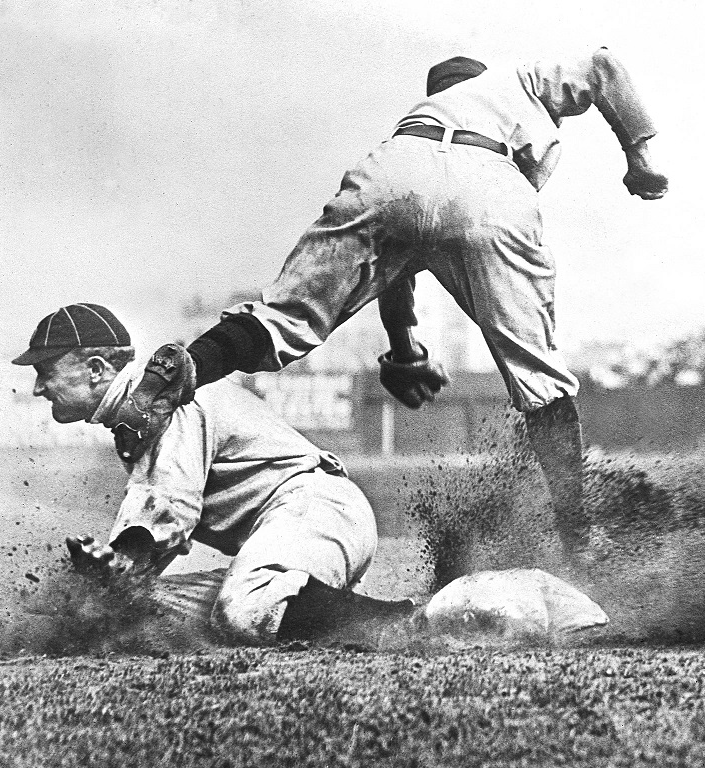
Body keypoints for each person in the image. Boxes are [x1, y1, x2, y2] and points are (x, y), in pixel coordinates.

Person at [113, 47, 669, 562]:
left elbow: (392, 279)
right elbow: (603, 64)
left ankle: (189, 365)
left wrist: (406, 352)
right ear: (477, 82)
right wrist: (638, 156)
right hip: (490, 183)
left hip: (390, 179)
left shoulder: (414, 126)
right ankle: (578, 543)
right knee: (541, 378)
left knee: (284, 318)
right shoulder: (514, 82)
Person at [12, 303, 415, 645]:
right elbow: (152, 542)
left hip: (314, 509)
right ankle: (320, 608)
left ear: (96, 368)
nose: (38, 387)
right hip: (292, 532)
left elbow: (169, 511)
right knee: (138, 612)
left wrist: (120, 563)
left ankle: (413, 625)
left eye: (45, 371)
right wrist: (93, 596)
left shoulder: (167, 399)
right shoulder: (139, 413)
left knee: (244, 607)